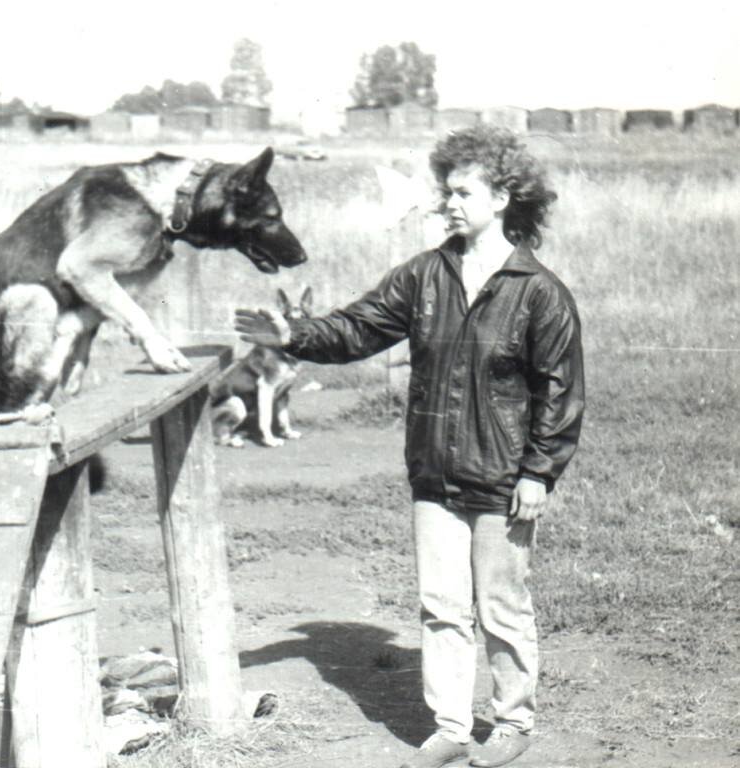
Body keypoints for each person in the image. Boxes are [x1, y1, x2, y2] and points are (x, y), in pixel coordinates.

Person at [235, 125, 585, 768]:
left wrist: (539, 472)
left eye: (462, 191)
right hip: (434, 473)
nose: (448, 203)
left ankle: (513, 725)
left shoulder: (539, 291)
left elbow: (560, 392)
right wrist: (293, 333)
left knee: (502, 606)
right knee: (441, 607)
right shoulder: (424, 275)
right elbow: (358, 328)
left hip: (506, 479)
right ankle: (451, 728)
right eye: (444, 192)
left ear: (504, 196)